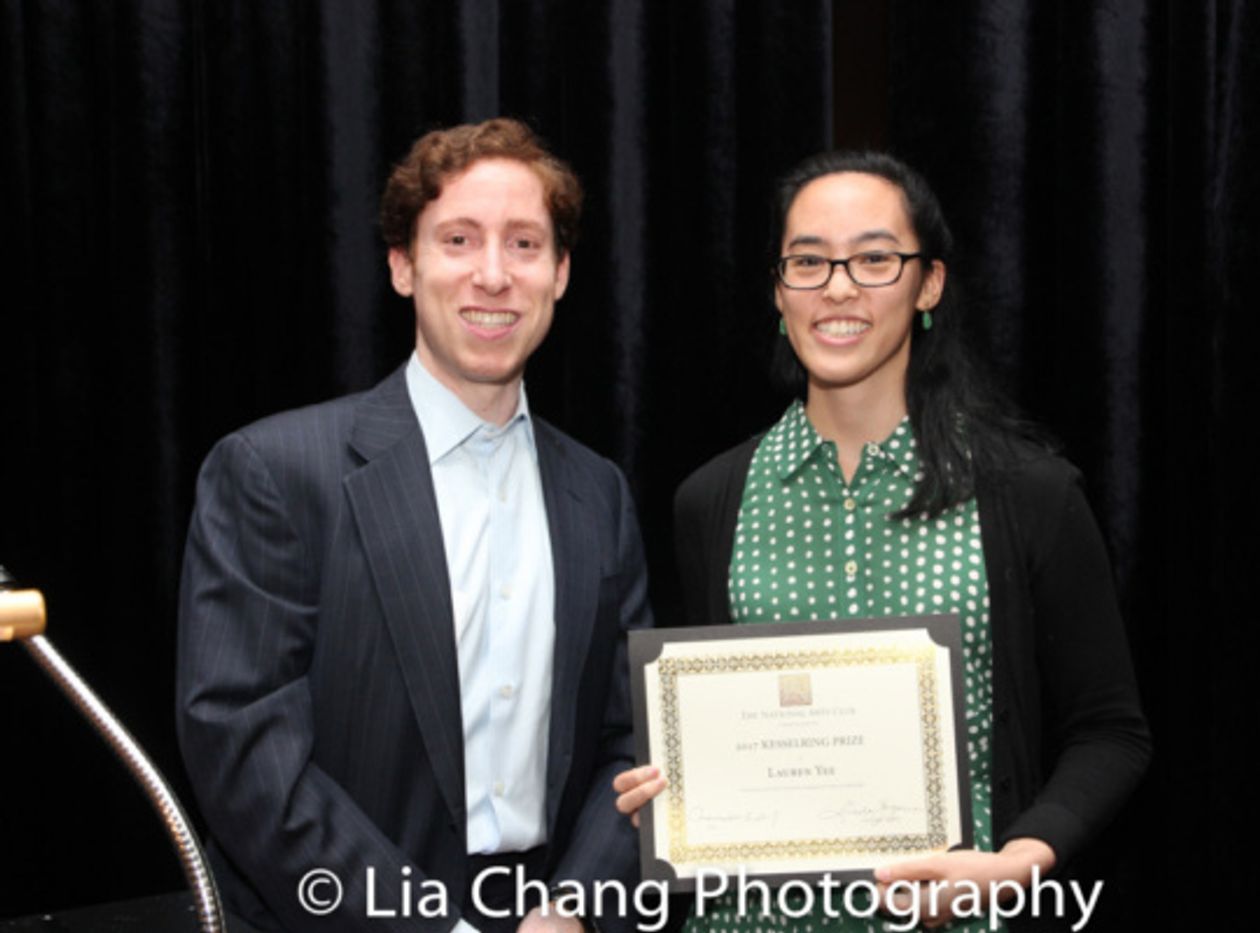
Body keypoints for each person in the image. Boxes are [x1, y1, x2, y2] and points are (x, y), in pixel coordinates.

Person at [614, 151, 1151, 931]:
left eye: (874, 258)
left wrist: (1018, 859)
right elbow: (711, 723)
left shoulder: (1027, 492)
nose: (837, 287)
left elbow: (1111, 729)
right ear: (778, 289)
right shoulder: (710, 501)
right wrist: (674, 794)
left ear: (927, 284)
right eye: (808, 261)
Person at [177, 118, 650, 933]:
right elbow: (247, 757)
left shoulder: (598, 491)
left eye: (526, 244)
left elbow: (633, 741)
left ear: (562, 273)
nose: (493, 274)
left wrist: (574, 909)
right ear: (403, 266)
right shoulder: (274, 472)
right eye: (459, 239)